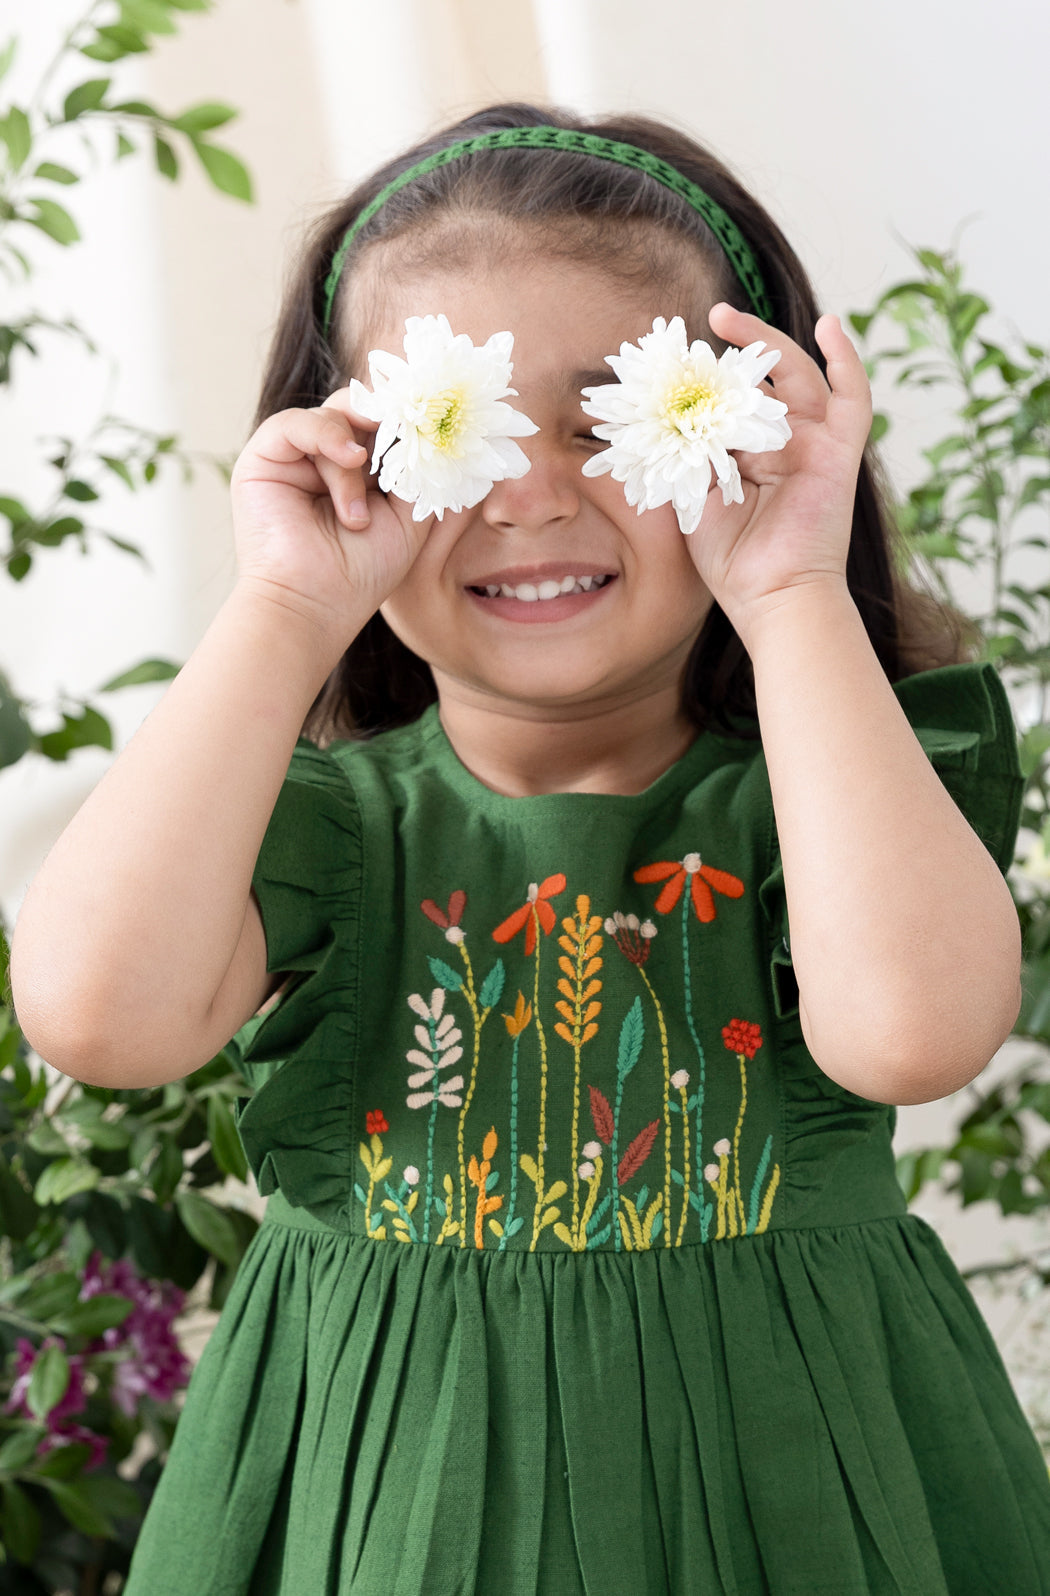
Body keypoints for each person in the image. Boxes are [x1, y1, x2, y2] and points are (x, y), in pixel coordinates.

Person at [11, 102, 1050, 1595]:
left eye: (610, 416)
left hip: (800, 1490)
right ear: (343, 459)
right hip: (381, 1504)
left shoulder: (828, 805)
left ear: (739, 433)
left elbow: (914, 1033)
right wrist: (288, 607)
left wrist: (791, 587)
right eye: (453, 420)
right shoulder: (332, 833)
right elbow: (98, 1020)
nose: (530, 488)